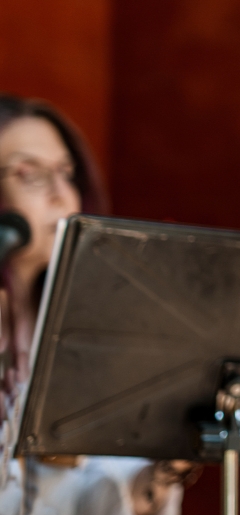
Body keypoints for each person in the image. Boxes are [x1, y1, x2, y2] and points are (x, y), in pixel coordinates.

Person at [0, 95, 193, 515]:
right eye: (28, 174)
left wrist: (165, 469)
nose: (60, 194)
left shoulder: (94, 332)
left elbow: (98, 498)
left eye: (66, 174)